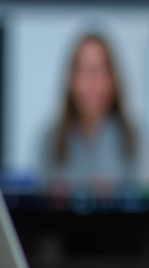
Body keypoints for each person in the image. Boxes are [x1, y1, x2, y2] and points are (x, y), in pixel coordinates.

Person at [43, 33, 138, 191]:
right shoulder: (49, 140)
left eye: (99, 70)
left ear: (113, 79)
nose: (92, 82)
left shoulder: (136, 140)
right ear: (70, 79)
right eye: (84, 70)